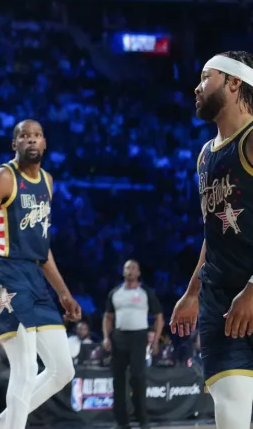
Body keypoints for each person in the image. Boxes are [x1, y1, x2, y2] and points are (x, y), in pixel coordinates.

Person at [0, 119, 79, 429]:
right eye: (24, 136)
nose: (31, 140)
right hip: (4, 274)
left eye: (37, 135)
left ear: (45, 143)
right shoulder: (2, 178)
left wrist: (64, 293)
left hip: (34, 277)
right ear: (14, 144)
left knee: (63, 370)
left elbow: (43, 248)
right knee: (24, 368)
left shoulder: (48, 182)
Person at [170, 51, 253, 429]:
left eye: (206, 77)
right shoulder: (205, 156)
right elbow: (214, 233)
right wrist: (192, 291)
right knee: (231, 412)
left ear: (234, 82)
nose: (197, 86)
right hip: (219, 300)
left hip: (249, 290)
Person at [103, 259, 163, 429]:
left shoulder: (146, 292)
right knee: (118, 380)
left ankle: (143, 420)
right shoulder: (115, 293)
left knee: (138, 378)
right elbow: (107, 317)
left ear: (139, 272)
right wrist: (106, 337)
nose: (130, 270)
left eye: (133, 267)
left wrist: (156, 339)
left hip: (139, 337)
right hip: (119, 337)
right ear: (123, 272)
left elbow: (159, 316)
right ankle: (121, 422)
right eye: (127, 268)